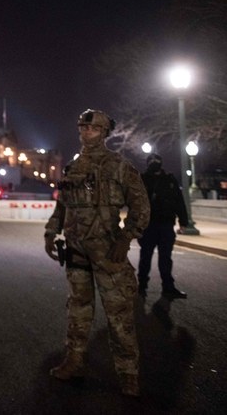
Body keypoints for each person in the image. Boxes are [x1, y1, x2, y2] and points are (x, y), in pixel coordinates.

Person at [44, 109, 149, 397]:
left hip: (107, 251)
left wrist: (126, 239)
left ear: (103, 132)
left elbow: (141, 208)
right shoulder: (73, 167)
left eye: (91, 129)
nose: (85, 133)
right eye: (81, 129)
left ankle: (128, 374)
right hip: (76, 250)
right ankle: (74, 361)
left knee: (119, 315)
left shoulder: (119, 166)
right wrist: (51, 233)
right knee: (78, 310)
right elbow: (62, 206)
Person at [138, 153, 189, 299]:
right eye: (152, 161)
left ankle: (168, 286)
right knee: (145, 257)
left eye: (157, 161)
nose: (155, 163)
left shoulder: (169, 180)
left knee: (165, 258)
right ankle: (141, 285)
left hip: (166, 224)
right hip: (149, 225)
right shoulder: (142, 180)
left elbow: (179, 202)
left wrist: (183, 222)